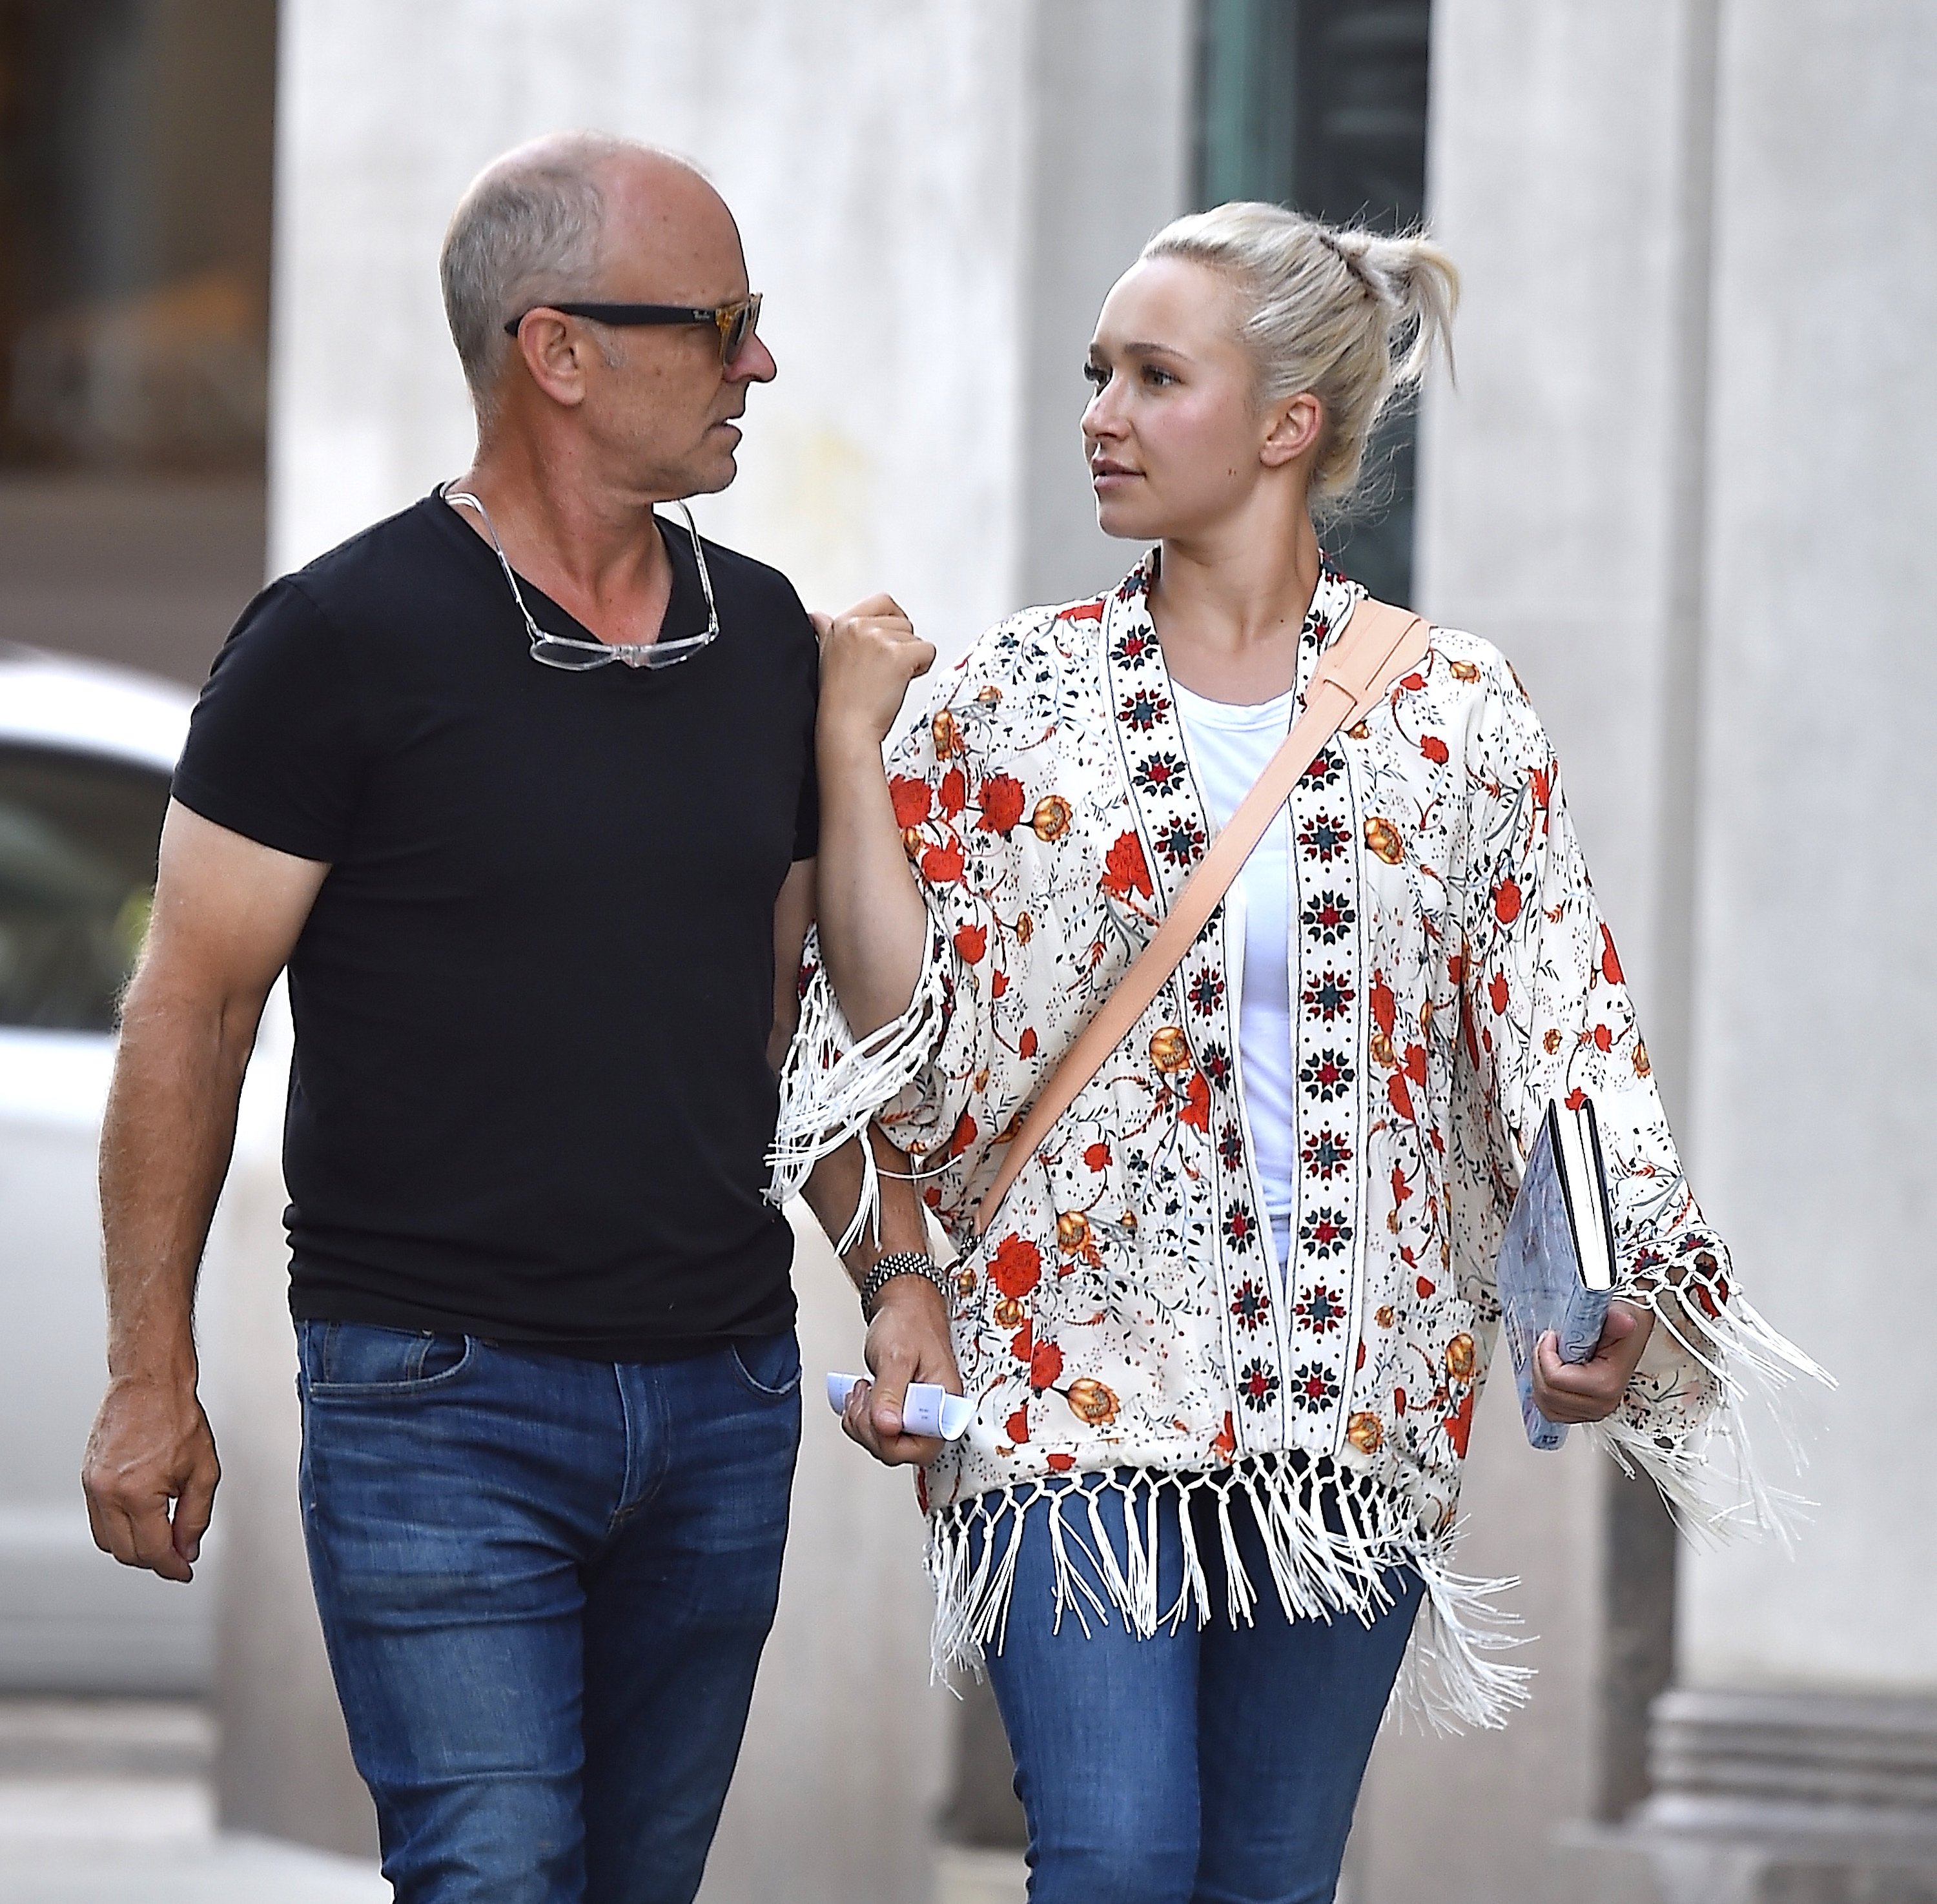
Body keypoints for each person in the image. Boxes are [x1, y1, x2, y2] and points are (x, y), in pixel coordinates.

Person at [774, 202, 1821, 1903]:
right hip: (1065, 1389)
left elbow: (1564, 1033)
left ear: (1287, 427)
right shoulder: (1008, 697)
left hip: (1352, 1411)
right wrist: (846, 738)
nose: (1102, 411)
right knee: (1114, 1860)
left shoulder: (1457, 708)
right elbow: (890, 1042)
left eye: (1154, 377)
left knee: (1268, 1885)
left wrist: (1611, 1298)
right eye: (1098, 373)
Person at [79, 131, 956, 1904]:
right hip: (439, 1400)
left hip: (719, 1397)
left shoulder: (771, 644)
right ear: (558, 352)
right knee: (491, 1875)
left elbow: (792, 1034)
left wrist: (899, 1275)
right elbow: (192, 1010)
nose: (759, 365)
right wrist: (148, 1376)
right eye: (722, 323)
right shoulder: (335, 641)